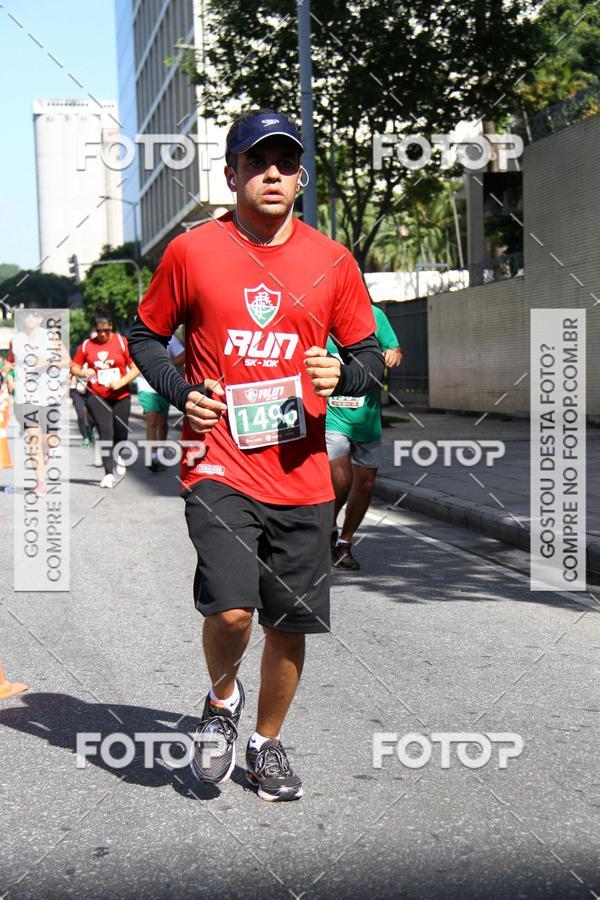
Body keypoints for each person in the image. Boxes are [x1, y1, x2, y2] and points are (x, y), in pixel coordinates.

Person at [129, 108, 384, 802]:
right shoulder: (191, 252)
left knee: (288, 621)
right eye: (257, 161)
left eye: (286, 163)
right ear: (232, 173)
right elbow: (145, 337)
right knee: (234, 609)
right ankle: (220, 703)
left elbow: (369, 356)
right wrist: (182, 392)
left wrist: (346, 376)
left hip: (302, 476)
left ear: (300, 177)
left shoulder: (332, 259)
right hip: (220, 463)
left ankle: (266, 746)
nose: (273, 173)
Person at [326, 306, 402, 570]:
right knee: (341, 479)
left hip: (367, 418)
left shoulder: (374, 316)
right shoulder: (319, 313)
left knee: (366, 483)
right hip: (331, 416)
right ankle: (327, 529)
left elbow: (395, 349)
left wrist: (393, 353)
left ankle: (344, 542)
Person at [70, 311, 139, 489]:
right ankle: (108, 473)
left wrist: (122, 382)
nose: (102, 334)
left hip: (121, 394)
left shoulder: (121, 342)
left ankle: (118, 454)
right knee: (105, 431)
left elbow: (136, 367)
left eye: (106, 331)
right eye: (99, 331)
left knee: (121, 432)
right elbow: (74, 367)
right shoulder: (86, 346)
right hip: (97, 395)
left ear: (111, 328)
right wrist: (84, 372)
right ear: (95, 329)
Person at [8, 309, 70, 495]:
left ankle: (47, 450)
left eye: (34, 315)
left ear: (40, 318)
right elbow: (10, 362)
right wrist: (9, 376)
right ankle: (40, 482)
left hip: (48, 395)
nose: (29, 319)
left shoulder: (50, 337)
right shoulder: (16, 340)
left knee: (49, 440)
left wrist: (48, 361)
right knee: (33, 437)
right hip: (26, 397)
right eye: (26, 315)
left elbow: (67, 361)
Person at [136, 333, 184, 472]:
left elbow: (184, 354)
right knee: (151, 421)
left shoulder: (169, 338)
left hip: (164, 386)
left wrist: (169, 363)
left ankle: (161, 453)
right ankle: (153, 456)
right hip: (145, 386)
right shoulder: (140, 338)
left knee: (162, 423)